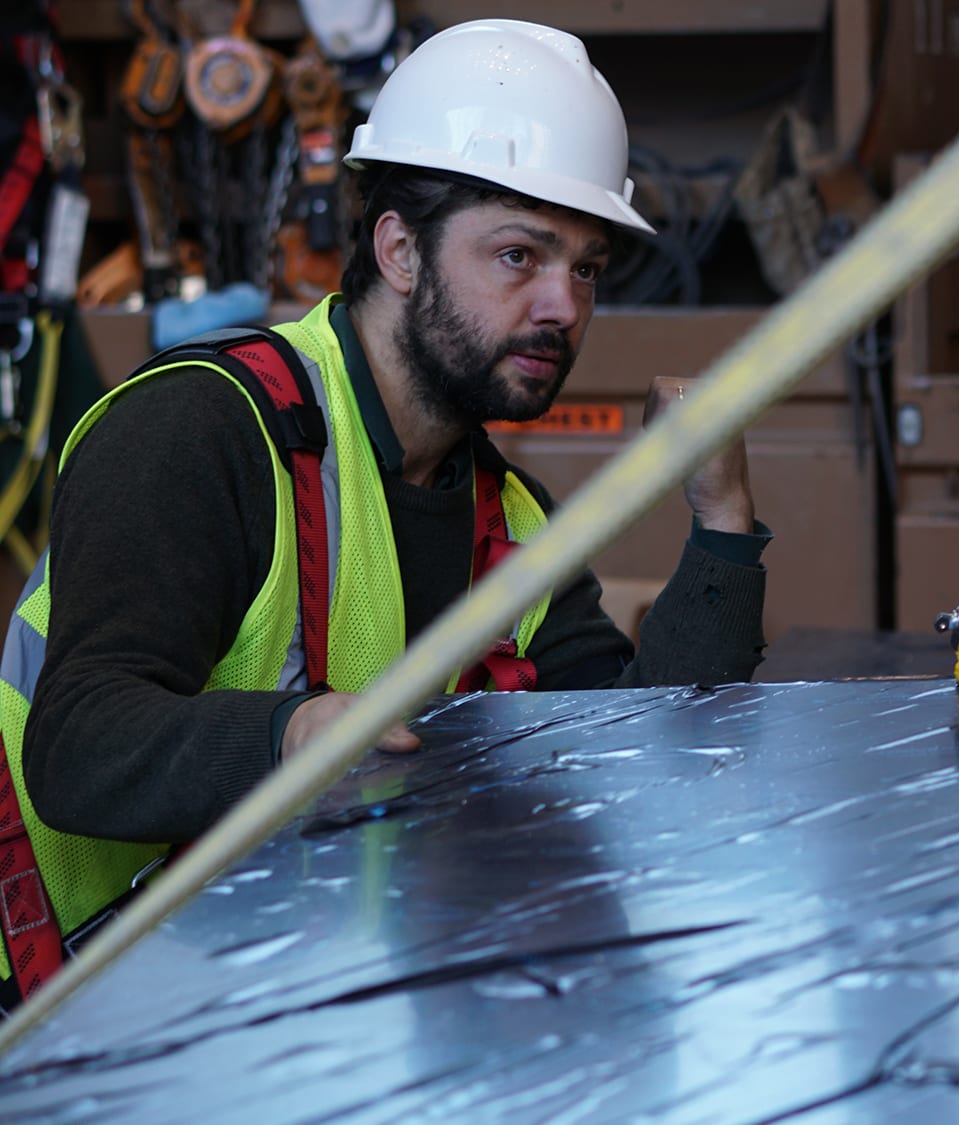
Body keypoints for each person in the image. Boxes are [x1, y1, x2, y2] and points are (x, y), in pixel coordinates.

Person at [0, 19, 769, 1001]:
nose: (562, 307)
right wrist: (293, 736)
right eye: (519, 256)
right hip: (59, 1008)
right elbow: (75, 747)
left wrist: (721, 524)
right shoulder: (203, 427)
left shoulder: (514, 528)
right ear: (399, 249)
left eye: (584, 268)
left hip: (287, 1004)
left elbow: (632, 776)